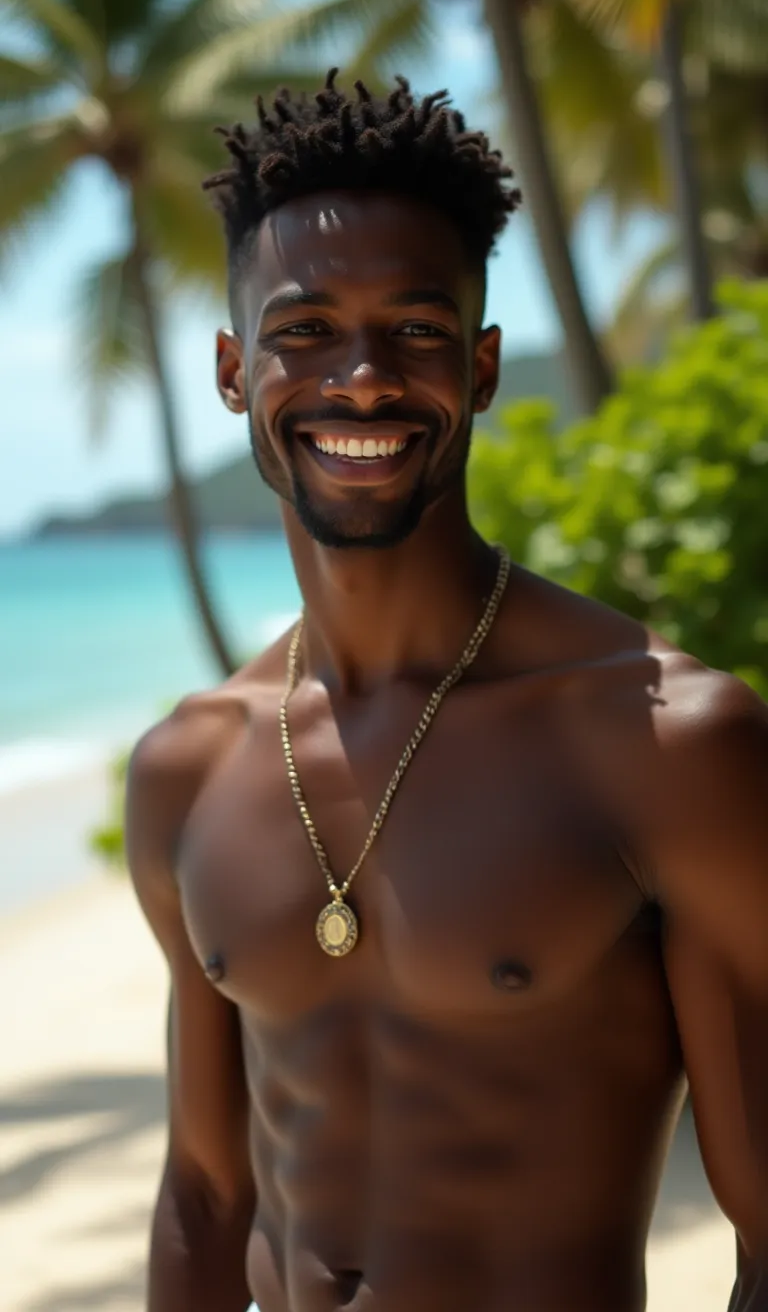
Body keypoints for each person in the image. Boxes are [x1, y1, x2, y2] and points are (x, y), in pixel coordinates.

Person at [126, 69, 768, 1312]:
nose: (362, 380)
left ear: (479, 368)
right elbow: (205, 1198)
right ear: (229, 369)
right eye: (303, 331)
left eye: (415, 331)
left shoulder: (665, 743)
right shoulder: (189, 769)